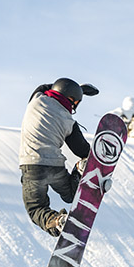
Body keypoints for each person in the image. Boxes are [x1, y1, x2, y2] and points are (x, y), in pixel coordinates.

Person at [19, 77, 98, 236]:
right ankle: (79, 169)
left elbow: (44, 86)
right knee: (70, 195)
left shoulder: (37, 99)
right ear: (72, 100)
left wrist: (78, 89)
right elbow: (82, 149)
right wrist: (88, 160)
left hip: (32, 166)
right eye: (76, 102)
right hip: (55, 166)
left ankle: (57, 221)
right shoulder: (68, 121)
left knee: (36, 208)